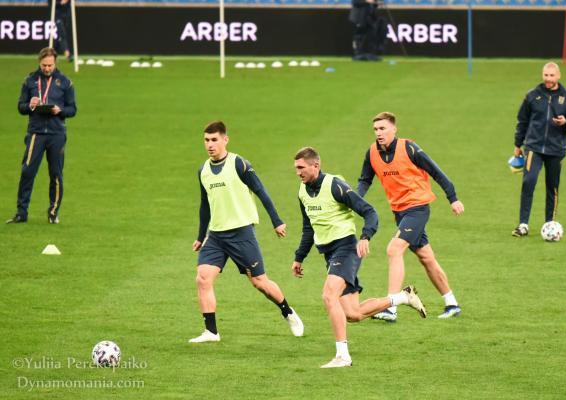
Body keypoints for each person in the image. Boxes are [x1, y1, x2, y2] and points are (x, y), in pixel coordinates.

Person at [292, 147, 426, 368]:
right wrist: (299, 257)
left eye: (301, 168)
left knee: (329, 295)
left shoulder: (335, 185)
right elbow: (309, 227)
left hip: (346, 248)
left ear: (315, 165)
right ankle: (402, 298)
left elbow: (370, 211)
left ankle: (343, 356)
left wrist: (365, 237)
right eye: (296, 168)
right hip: (329, 254)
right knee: (353, 314)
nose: (298, 172)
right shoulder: (302, 191)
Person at [189, 121, 304, 343]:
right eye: (206, 140)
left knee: (260, 282)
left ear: (225, 140)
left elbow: (261, 191)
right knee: (203, 278)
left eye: (214, 140)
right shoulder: (203, 171)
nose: (210, 144)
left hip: (241, 233)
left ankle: (287, 311)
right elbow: (205, 205)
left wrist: (277, 221)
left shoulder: (239, 164)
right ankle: (211, 332)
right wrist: (200, 236)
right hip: (216, 236)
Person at [357, 112, 465, 320]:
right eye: (376, 129)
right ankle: (452, 303)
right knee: (426, 258)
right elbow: (364, 180)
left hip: (418, 208)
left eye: (382, 128)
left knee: (394, 249)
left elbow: (436, 171)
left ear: (394, 129)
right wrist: (354, 199)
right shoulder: (371, 153)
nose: (378, 133)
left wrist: (453, 198)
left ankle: (391, 308)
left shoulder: (408, 148)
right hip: (400, 212)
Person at [6, 47, 77, 225]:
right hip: (36, 133)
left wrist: (60, 111)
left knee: (56, 174)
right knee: (27, 172)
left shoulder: (65, 82)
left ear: (55, 63)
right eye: (44, 65)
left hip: (56, 134)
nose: (47, 68)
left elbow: (72, 109)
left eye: (50, 65)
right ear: (39, 62)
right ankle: (21, 213)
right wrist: (30, 105)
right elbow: (21, 107)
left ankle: (53, 213)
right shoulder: (30, 81)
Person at [511, 62, 566, 237]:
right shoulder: (532, 96)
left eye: (551, 75)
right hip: (533, 148)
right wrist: (518, 144)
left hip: (556, 150)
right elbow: (522, 121)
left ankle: (550, 223)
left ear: (558, 76)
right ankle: (523, 224)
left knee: (552, 187)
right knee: (528, 182)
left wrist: (565, 122)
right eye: (546, 75)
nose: (548, 79)